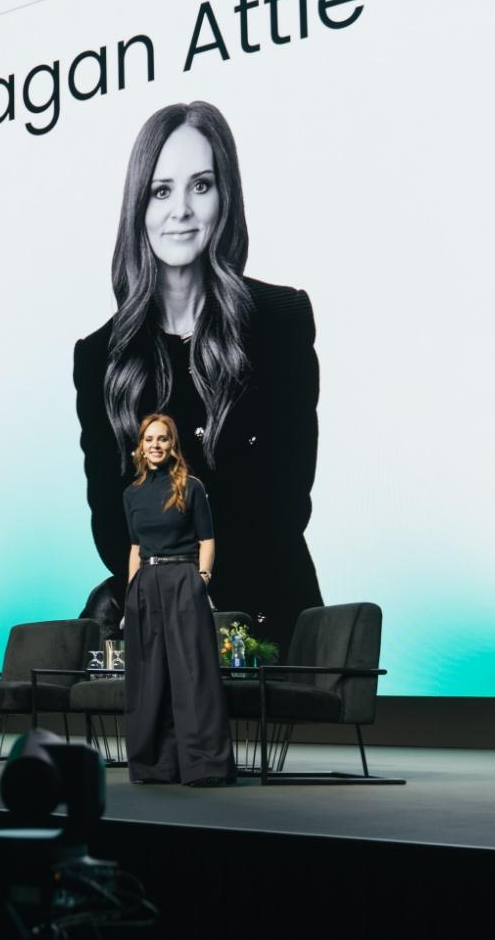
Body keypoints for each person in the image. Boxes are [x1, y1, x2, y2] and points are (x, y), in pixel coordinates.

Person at [74, 100, 321, 658]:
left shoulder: (281, 319)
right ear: (138, 205)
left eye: (200, 185)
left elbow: (287, 500)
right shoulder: (100, 356)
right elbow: (113, 526)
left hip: (266, 620)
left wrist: (205, 591)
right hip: (158, 616)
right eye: (161, 190)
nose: (180, 210)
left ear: (224, 196)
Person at [121, 413, 233, 785]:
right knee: (149, 677)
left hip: (183, 578)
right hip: (146, 583)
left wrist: (201, 579)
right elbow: (136, 547)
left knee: (192, 673)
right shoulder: (132, 494)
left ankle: (204, 765)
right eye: (149, 439)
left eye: (163, 439)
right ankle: (156, 765)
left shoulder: (191, 487)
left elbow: (208, 539)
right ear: (140, 446)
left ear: (173, 445)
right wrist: (130, 593)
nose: (155, 445)